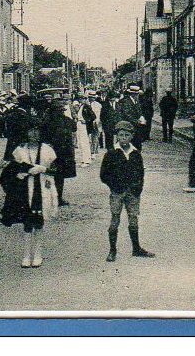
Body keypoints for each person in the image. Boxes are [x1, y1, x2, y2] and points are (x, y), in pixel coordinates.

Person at [0, 118, 59, 267]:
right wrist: (20, 173)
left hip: (42, 187)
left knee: (39, 220)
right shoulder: (20, 150)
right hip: (25, 189)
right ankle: (26, 255)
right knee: (27, 221)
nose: (33, 133)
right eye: (31, 130)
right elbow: (10, 171)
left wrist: (43, 169)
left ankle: (37, 254)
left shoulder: (47, 150)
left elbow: (58, 170)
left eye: (37, 130)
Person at [100, 120, 155, 261]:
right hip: (117, 192)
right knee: (115, 219)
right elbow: (104, 175)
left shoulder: (136, 154)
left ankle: (136, 248)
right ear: (117, 136)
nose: (123, 138)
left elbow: (140, 173)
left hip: (133, 192)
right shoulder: (111, 153)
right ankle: (112, 250)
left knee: (133, 219)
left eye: (127, 135)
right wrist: (114, 185)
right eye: (121, 135)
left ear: (131, 137)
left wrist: (138, 188)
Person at [42, 97, 77, 206]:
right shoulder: (66, 121)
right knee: (59, 177)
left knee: (49, 175)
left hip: (51, 152)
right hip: (63, 153)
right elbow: (74, 127)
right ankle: (57, 198)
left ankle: (49, 197)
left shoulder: (46, 122)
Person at [117, 85, 147, 149]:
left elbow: (139, 112)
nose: (138, 96)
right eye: (137, 94)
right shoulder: (126, 101)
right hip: (128, 126)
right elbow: (126, 114)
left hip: (136, 127)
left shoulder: (136, 101)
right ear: (134, 94)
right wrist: (137, 121)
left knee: (137, 145)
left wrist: (142, 118)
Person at [74, 99, 93, 167]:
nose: (82, 100)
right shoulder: (81, 107)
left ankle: (87, 160)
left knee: (84, 143)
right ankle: (84, 159)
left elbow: (93, 116)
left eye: (83, 99)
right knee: (81, 143)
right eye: (80, 98)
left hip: (84, 126)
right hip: (79, 125)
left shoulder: (87, 107)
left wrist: (86, 121)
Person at [88, 90, 103, 155]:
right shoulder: (86, 104)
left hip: (97, 122)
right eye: (91, 97)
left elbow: (100, 114)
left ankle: (95, 149)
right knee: (90, 137)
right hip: (89, 122)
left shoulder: (98, 105)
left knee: (96, 136)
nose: (92, 98)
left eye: (93, 97)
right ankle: (91, 150)